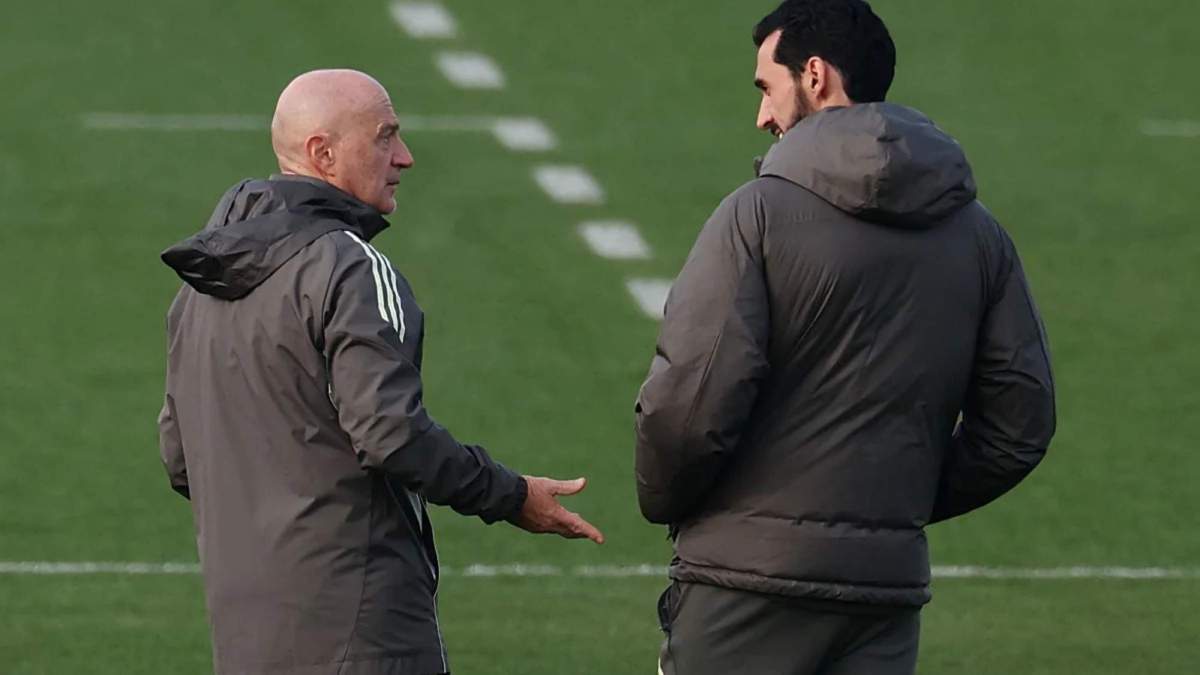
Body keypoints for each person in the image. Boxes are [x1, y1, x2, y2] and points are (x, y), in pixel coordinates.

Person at [634, 1, 1055, 673]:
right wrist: (884, 509)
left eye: (767, 87)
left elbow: (687, 408)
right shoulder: (981, 236)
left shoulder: (755, 215)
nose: (762, 115)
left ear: (816, 75)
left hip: (745, 588)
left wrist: (666, 501)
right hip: (882, 598)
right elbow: (1020, 425)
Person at [157, 69, 603, 675]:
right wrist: (512, 495)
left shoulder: (198, 291)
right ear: (324, 153)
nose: (405, 157)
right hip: (360, 627)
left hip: (244, 632)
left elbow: (181, 456)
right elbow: (391, 434)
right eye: (385, 137)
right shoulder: (349, 267)